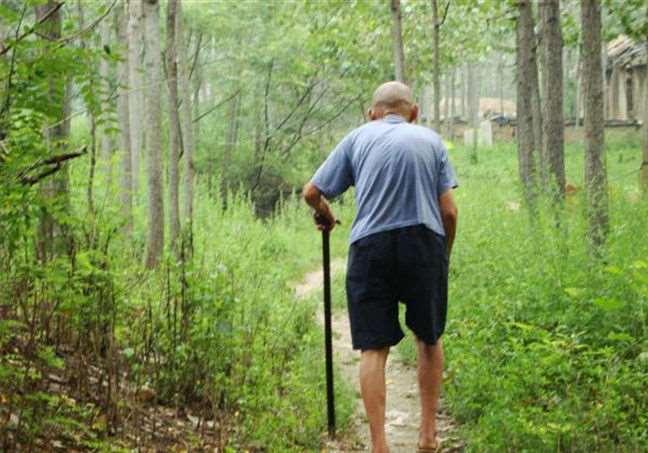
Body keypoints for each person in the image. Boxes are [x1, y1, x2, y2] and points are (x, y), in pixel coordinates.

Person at [303, 81, 458, 453]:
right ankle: (428, 435)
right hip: (424, 241)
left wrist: (326, 215)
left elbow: (311, 192)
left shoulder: (358, 137)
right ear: (414, 112)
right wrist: (443, 254)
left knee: (373, 348)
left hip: (370, 246)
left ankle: (379, 445)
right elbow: (449, 211)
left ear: (372, 113)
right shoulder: (431, 141)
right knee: (429, 338)